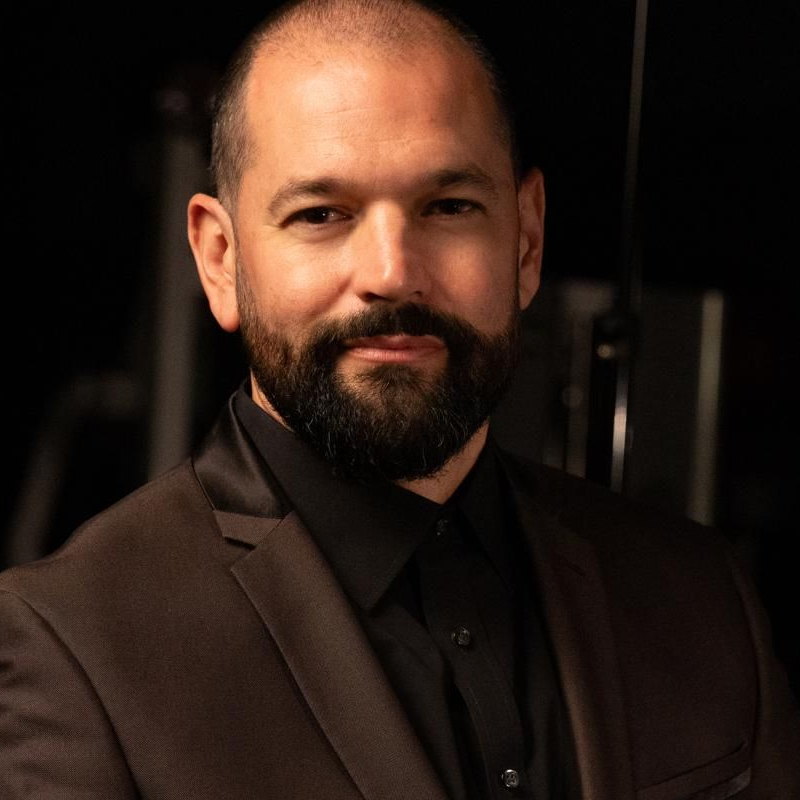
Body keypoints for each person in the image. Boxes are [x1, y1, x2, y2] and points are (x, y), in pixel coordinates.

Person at [1, 0, 798, 797]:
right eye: (321, 215)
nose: (392, 270)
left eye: (449, 207)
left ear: (525, 239)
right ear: (219, 259)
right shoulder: (75, 647)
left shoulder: (701, 594)